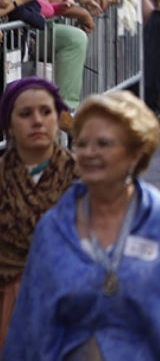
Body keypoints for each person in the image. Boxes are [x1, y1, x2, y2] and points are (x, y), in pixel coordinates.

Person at [5, 92, 160, 359]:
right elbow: (28, 329)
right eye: (82, 144)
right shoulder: (55, 228)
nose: (90, 153)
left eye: (103, 144)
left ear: (135, 155)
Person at [0, 79, 76, 350]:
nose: (37, 121)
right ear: (9, 124)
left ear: (59, 118)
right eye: (25, 114)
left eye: (46, 112)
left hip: (69, 302)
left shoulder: (84, 178)